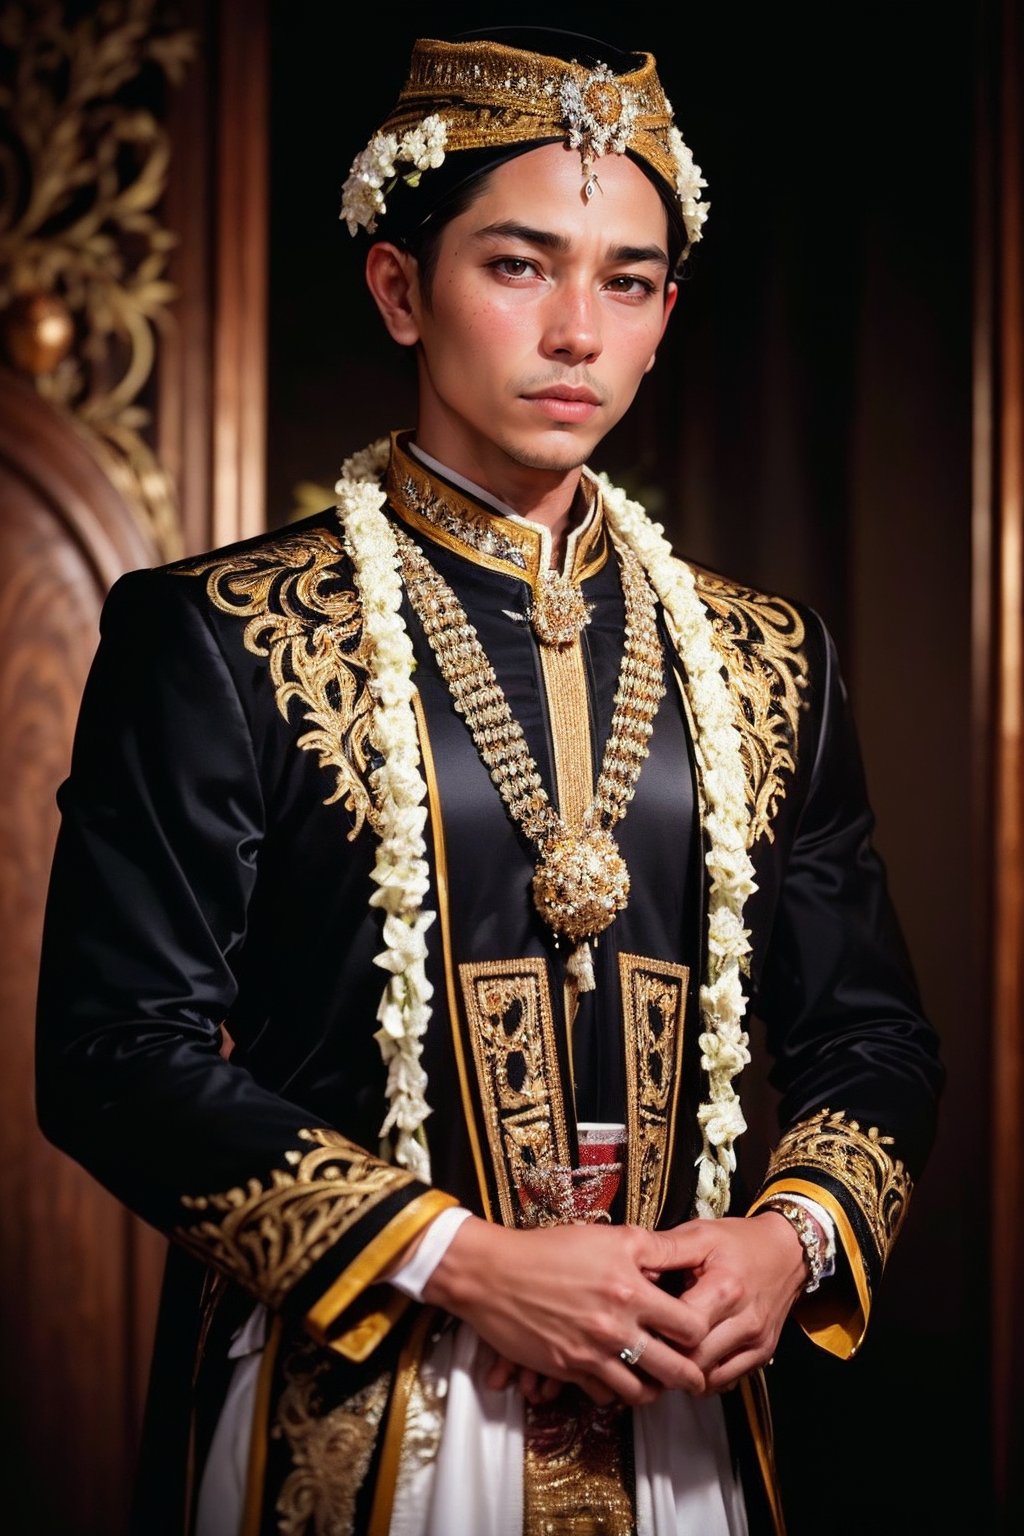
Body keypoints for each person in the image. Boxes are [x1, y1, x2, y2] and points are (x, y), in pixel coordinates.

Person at [35, 24, 944, 1536]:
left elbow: (872, 1036)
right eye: (520, 266)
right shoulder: (222, 634)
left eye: (630, 280)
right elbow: (113, 1053)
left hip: (678, 1416)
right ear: (402, 287)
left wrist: (791, 1243)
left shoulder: (767, 656)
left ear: (666, 313)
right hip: (359, 1395)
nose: (578, 331)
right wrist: (459, 1261)